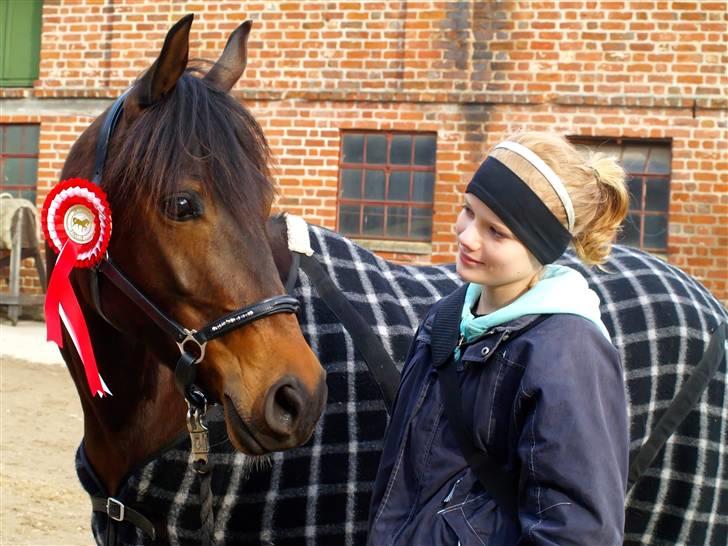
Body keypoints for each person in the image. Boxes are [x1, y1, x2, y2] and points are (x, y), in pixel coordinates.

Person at [367, 132, 631, 545]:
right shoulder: (447, 317)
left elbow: (578, 532)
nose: (467, 236)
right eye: (468, 211)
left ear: (540, 247)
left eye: (497, 231)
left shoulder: (566, 352)